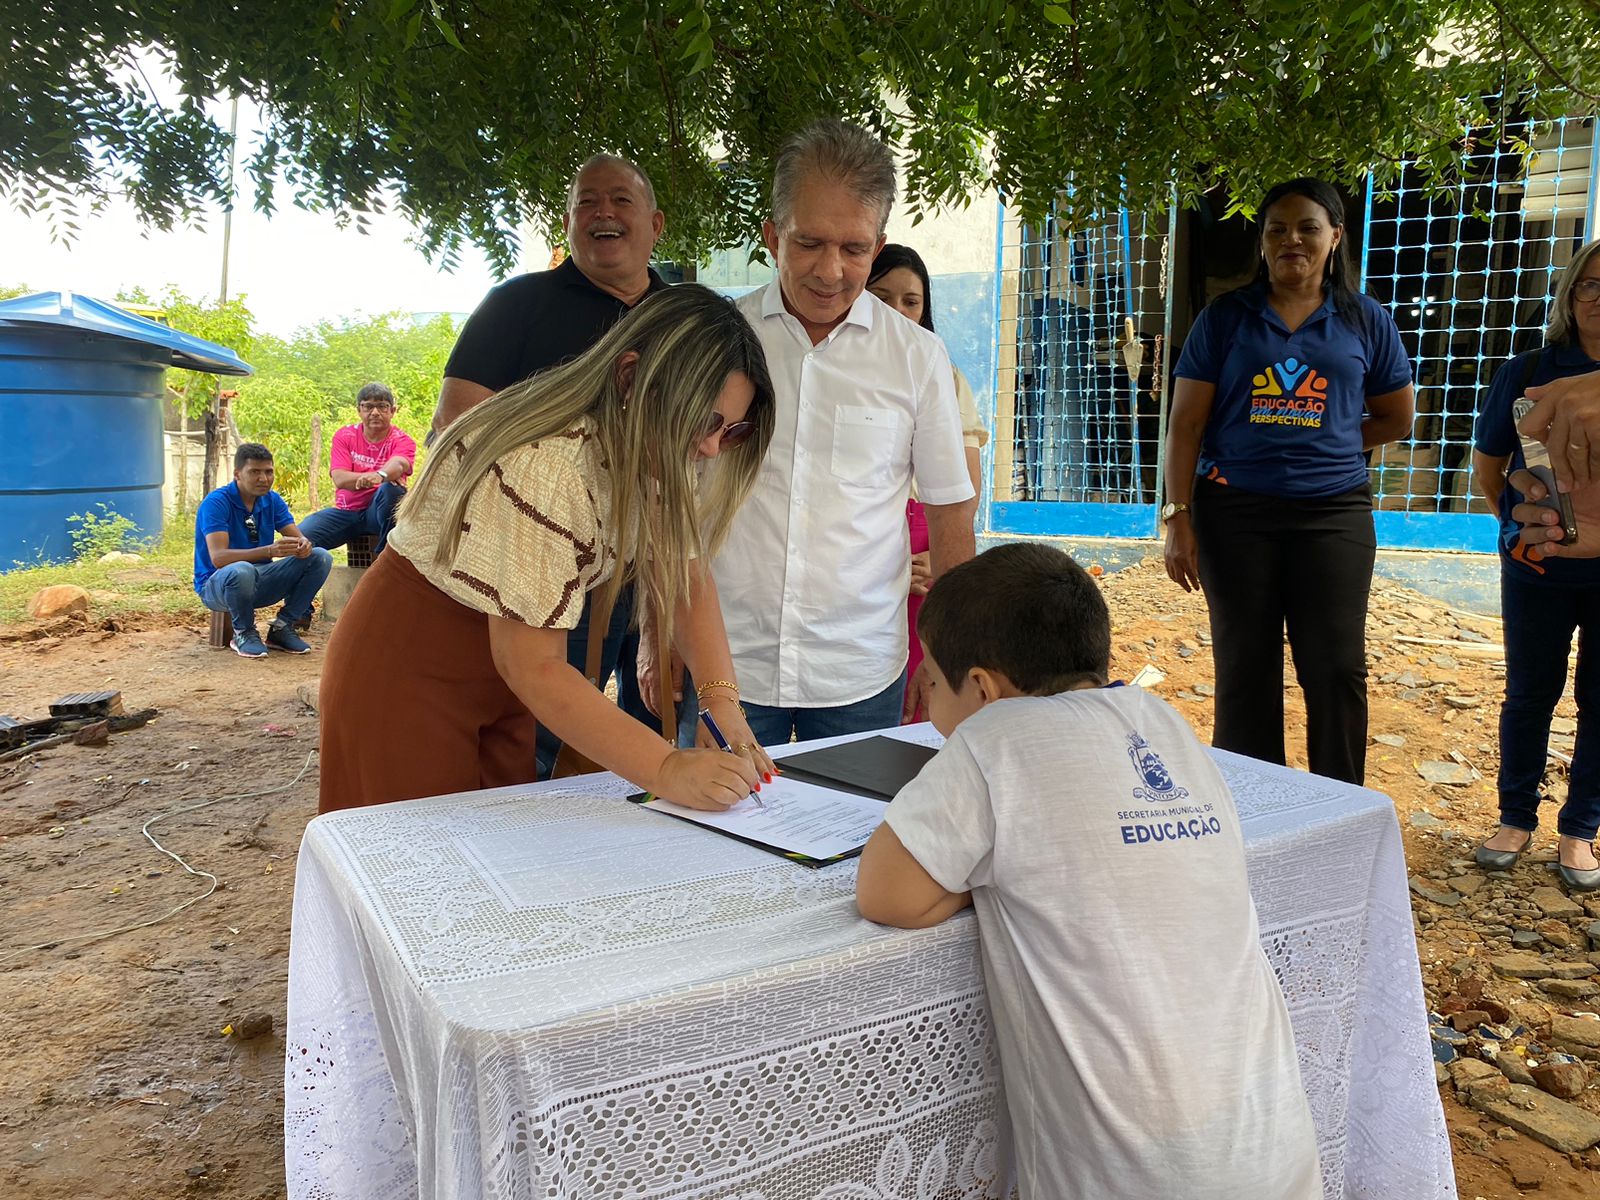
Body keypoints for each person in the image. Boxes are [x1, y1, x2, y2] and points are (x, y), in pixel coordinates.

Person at [855, 542, 1321, 1200]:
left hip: (1132, 1175)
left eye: (930, 680)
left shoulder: (996, 738)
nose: (927, 702)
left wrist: (997, 869)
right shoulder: (1158, 720)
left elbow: (887, 892)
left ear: (984, 689)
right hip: (1272, 1144)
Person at [318, 285, 777, 813]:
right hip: (411, 670)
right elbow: (533, 665)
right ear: (630, 378)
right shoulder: (546, 461)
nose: (712, 447)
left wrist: (722, 703)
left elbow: (686, 576)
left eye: (733, 430)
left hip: (506, 673)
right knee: (415, 870)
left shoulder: (661, 448)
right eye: (704, 422)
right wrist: (667, 768)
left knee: (499, 860)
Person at [683, 119, 977, 747]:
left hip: (860, 673)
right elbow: (674, 503)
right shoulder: (713, 342)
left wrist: (948, 654)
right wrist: (660, 633)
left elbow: (952, 512)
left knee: (852, 842)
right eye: (809, 243)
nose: (830, 270)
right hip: (726, 664)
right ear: (771, 236)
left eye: (854, 249)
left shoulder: (917, 357)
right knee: (715, 833)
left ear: (879, 244)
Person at [1162, 177, 1415, 783]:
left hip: (1333, 516)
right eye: (1276, 229)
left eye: (1307, 227)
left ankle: (1340, 808)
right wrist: (1178, 516)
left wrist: (1324, 442)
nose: (1291, 240)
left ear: (1335, 238)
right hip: (1235, 515)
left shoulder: (1365, 320)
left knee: (1336, 670)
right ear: (1262, 243)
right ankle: (1259, 809)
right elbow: (1186, 425)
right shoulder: (1225, 318)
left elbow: (1397, 416)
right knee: (1246, 671)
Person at [433, 153, 671, 776]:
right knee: (532, 743)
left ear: (656, 222)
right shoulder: (517, 304)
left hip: (650, 564)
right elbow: (454, 432)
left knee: (644, 740)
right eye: (586, 201)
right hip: (534, 570)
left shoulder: (680, 321)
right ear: (567, 222)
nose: (603, 213)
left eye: (620, 199)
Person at [1471, 237, 1600, 890]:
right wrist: (1519, 527)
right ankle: (1515, 818)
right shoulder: (1526, 372)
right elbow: (1490, 467)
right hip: (1539, 571)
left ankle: (1580, 833)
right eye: (1591, 285)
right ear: (1570, 296)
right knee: (1529, 696)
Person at [866, 243, 987, 716]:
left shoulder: (944, 373)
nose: (897, 312)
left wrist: (939, 555)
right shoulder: (836, 368)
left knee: (920, 691)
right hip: (870, 551)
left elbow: (964, 488)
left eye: (910, 301)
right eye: (882, 297)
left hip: (926, 548)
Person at [193, 443, 333, 659]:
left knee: (320, 557)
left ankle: (282, 627)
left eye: (268, 472)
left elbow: (298, 537)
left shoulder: (272, 500)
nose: (264, 478)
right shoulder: (216, 503)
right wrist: (269, 551)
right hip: (217, 586)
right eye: (255, 472)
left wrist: (303, 545)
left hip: (260, 580)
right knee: (242, 570)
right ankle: (244, 633)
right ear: (237, 474)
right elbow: (219, 558)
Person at [298, 383, 416, 555]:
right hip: (346, 512)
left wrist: (380, 476)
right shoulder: (345, 436)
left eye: (382, 406)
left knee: (392, 490)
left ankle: (386, 555)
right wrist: (376, 476)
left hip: (378, 514)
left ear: (393, 411)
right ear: (359, 410)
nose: (375, 412)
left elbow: (399, 464)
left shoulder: (402, 440)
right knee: (299, 539)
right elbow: (340, 479)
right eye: (368, 406)